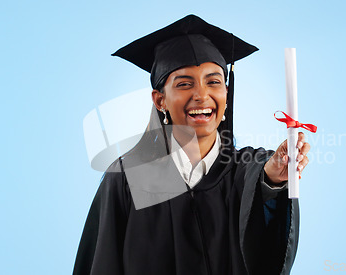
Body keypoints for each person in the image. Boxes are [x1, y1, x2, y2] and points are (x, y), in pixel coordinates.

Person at [73, 15, 311, 275]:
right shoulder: (128, 178)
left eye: (213, 82)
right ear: (160, 100)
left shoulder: (249, 170)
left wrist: (274, 181)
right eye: (185, 84)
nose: (201, 95)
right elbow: (102, 263)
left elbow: (267, 237)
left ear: (226, 96)